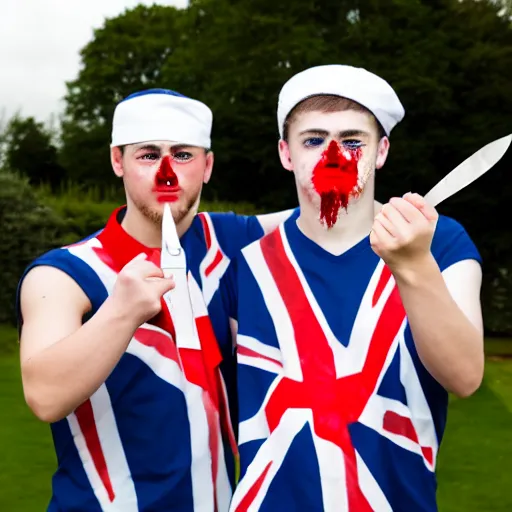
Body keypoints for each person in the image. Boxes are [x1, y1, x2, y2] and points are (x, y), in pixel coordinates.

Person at [15, 88, 298, 512]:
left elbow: (331, 220)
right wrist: (120, 312)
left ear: (207, 166)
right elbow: (44, 394)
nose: (166, 173)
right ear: (117, 162)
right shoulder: (62, 274)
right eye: (148, 155)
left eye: (183, 155)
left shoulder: (227, 240)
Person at [224, 65, 485, 511]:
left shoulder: (439, 240)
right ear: (286, 153)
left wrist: (414, 265)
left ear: (380, 151)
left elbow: (464, 375)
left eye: (352, 141)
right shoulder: (243, 257)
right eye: (313, 140)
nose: (333, 156)